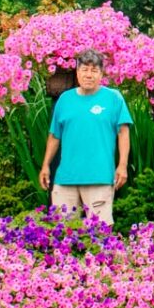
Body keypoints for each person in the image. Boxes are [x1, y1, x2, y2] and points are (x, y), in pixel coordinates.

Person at [40, 49, 131, 224]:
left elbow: (123, 133)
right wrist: (45, 165)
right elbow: (54, 136)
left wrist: (122, 166)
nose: (89, 75)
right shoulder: (65, 99)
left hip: (99, 177)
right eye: (84, 70)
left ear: (101, 74)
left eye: (94, 70)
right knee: (61, 233)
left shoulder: (113, 98)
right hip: (65, 178)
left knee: (100, 233)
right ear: (77, 72)